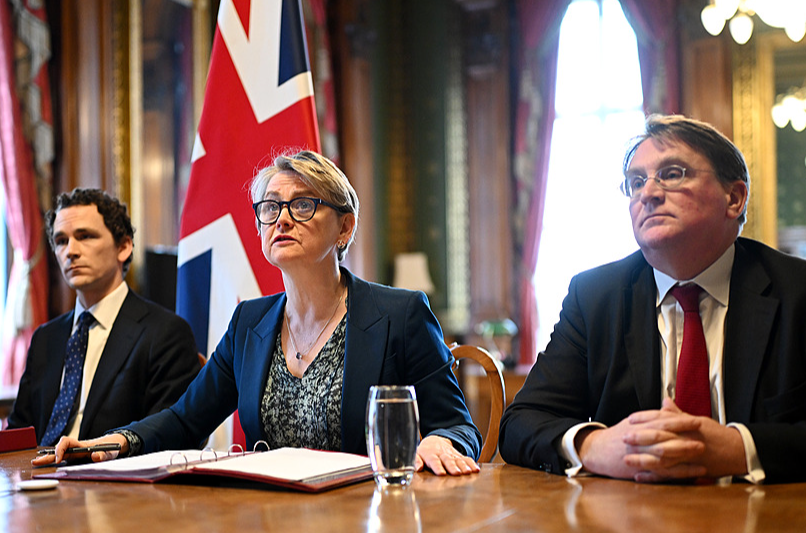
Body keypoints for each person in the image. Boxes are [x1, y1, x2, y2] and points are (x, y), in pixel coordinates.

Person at [34, 150, 482, 476]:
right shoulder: (249, 322)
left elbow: (459, 426)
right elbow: (186, 419)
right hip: (269, 517)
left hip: (366, 516)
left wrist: (440, 438)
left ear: (345, 226)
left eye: (302, 204)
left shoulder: (399, 314)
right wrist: (115, 442)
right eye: (270, 208)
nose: (282, 219)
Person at [499, 114, 806, 484]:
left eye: (673, 173)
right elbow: (521, 422)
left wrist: (738, 449)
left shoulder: (800, 291)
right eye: (635, 182)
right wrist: (593, 446)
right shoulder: (595, 296)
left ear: (734, 197)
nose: (648, 193)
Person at [8, 188, 201, 445]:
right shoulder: (46, 337)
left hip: (113, 476)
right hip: (36, 477)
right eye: (61, 241)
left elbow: (167, 434)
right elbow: (18, 433)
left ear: (123, 247)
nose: (71, 251)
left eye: (85, 236)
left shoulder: (165, 333)